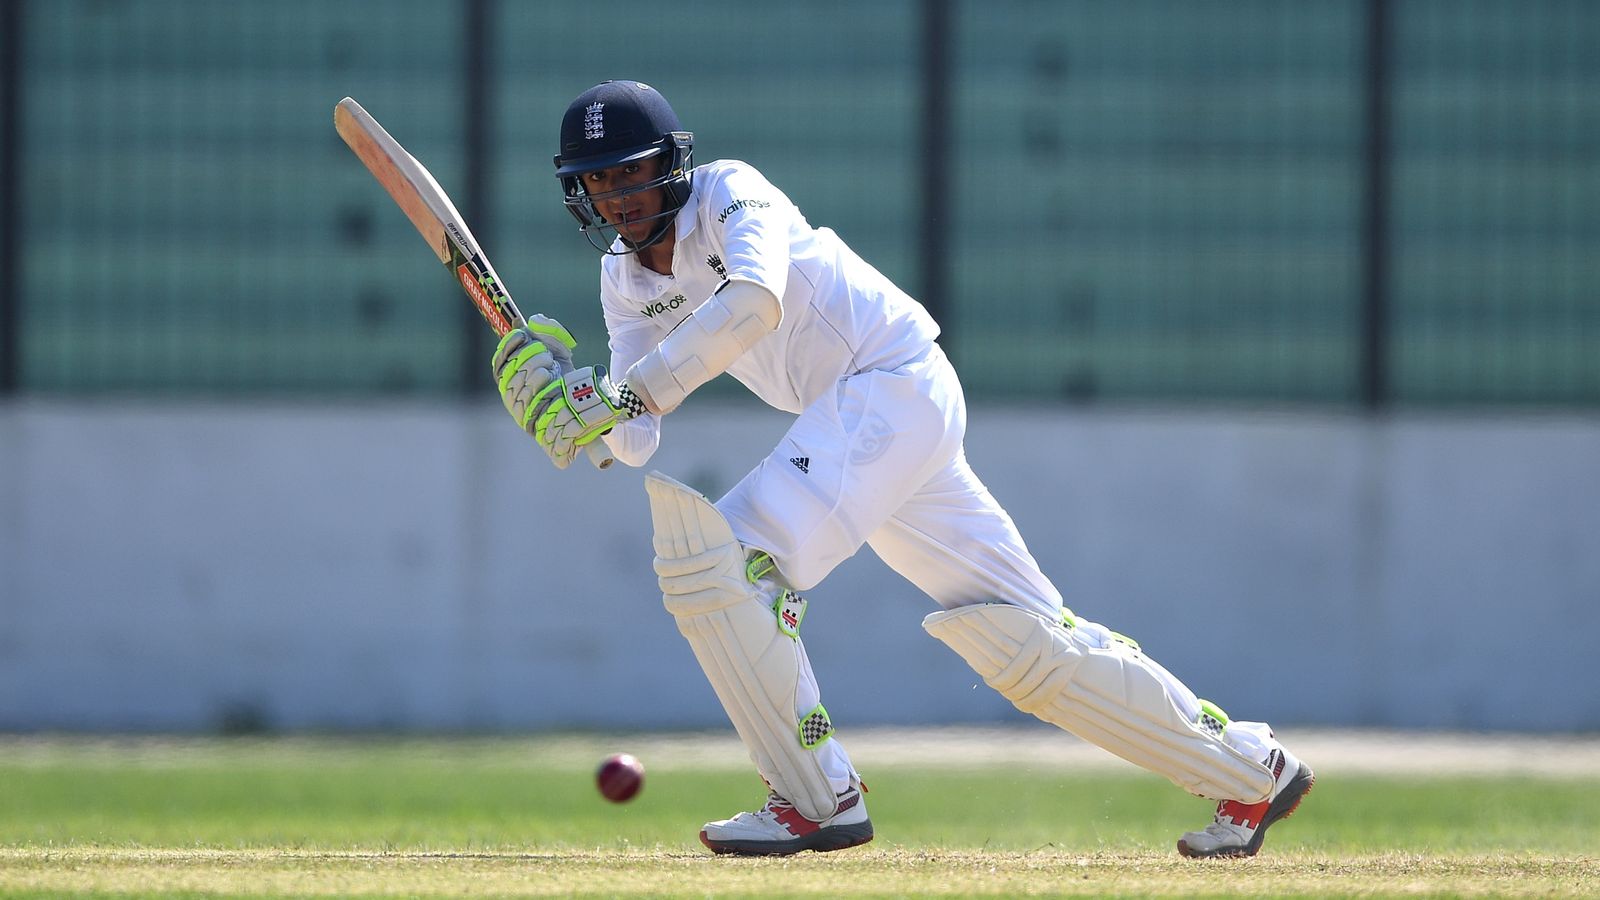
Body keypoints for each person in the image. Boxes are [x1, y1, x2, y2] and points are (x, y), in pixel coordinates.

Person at [491, 79, 1314, 858]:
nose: (619, 198)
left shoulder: (732, 192)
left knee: (719, 559)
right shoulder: (623, 280)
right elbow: (632, 437)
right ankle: (1249, 773)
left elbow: (754, 305)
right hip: (870, 422)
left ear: (672, 162)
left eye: (631, 174)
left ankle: (817, 800)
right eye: (598, 185)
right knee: (1023, 641)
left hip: (887, 384)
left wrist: (620, 400)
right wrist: (561, 404)